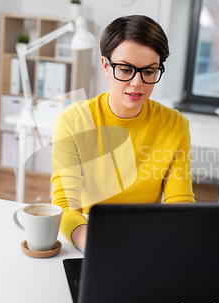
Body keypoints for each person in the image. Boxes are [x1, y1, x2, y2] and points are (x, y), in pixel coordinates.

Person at [51, 15, 195, 252]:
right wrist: (96, 246)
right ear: (106, 67)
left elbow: (179, 201)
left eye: (149, 72)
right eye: (126, 69)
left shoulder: (175, 125)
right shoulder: (73, 122)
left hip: (147, 239)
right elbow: (66, 203)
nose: (137, 83)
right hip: (90, 237)